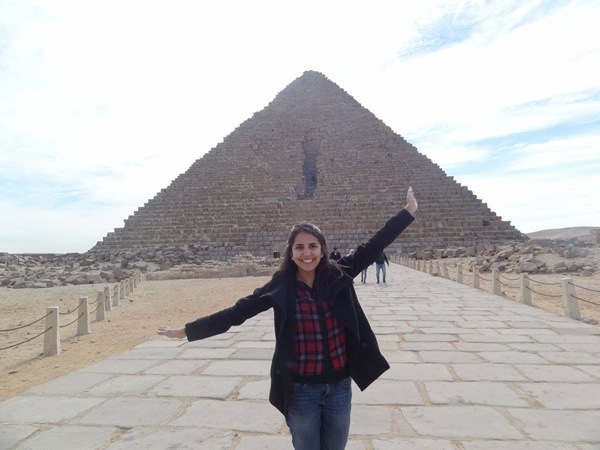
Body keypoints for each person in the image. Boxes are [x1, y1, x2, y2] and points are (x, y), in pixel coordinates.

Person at [157, 187, 418, 449]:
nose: (307, 254)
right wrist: (186, 331)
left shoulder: (340, 274)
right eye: (300, 247)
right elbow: (237, 313)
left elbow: (374, 245)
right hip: (301, 391)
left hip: (339, 387)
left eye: (313, 246)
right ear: (290, 252)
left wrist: (408, 212)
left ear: (323, 249)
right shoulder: (281, 286)